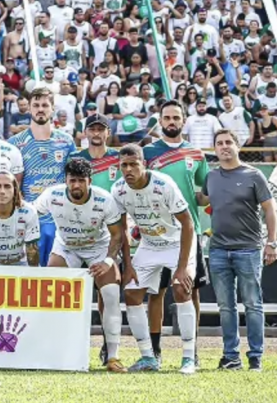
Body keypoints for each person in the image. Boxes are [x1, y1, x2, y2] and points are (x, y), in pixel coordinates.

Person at [32, 158, 127, 374]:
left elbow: (117, 235)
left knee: (111, 294)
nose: (76, 186)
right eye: (72, 180)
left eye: (81, 181)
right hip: (66, 247)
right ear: (65, 180)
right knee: (50, 292)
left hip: (99, 248)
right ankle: (50, 352)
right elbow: (29, 214)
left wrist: (108, 261)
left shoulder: (104, 199)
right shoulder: (52, 195)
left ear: (90, 181)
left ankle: (113, 356)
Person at [111, 145, 198, 375]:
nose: (128, 170)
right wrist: (127, 266)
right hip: (149, 244)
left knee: (181, 288)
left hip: (178, 242)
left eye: (133, 164)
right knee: (131, 293)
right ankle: (148, 357)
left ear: (144, 164)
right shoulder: (118, 189)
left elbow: (188, 224)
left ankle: (189, 358)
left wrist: (181, 268)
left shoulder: (163, 184)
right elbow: (121, 231)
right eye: (123, 166)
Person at [141, 99, 209, 363]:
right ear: (160, 121)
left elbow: (203, 194)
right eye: (166, 117)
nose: (171, 122)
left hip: (189, 231)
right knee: (155, 292)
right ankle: (155, 350)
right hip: (156, 232)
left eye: (175, 118)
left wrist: (219, 199)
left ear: (183, 121)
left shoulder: (197, 154)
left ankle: (192, 351)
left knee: (190, 290)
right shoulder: (148, 153)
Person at [203, 130, 277, 371]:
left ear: (237, 146)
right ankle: (231, 356)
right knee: (226, 307)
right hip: (218, 251)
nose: (224, 147)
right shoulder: (211, 176)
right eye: (219, 143)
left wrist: (272, 243)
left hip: (248, 250)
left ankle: (255, 357)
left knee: (253, 304)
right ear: (214, 149)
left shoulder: (254, 175)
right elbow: (203, 201)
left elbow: (270, 210)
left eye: (228, 142)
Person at [8, 87, 76, 266]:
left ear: (52, 108)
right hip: (29, 215)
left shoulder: (66, 141)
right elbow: (11, 184)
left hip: (59, 216)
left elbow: (73, 178)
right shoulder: (15, 143)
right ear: (29, 108)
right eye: (36, 105)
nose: (40, 109)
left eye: (45, 105)